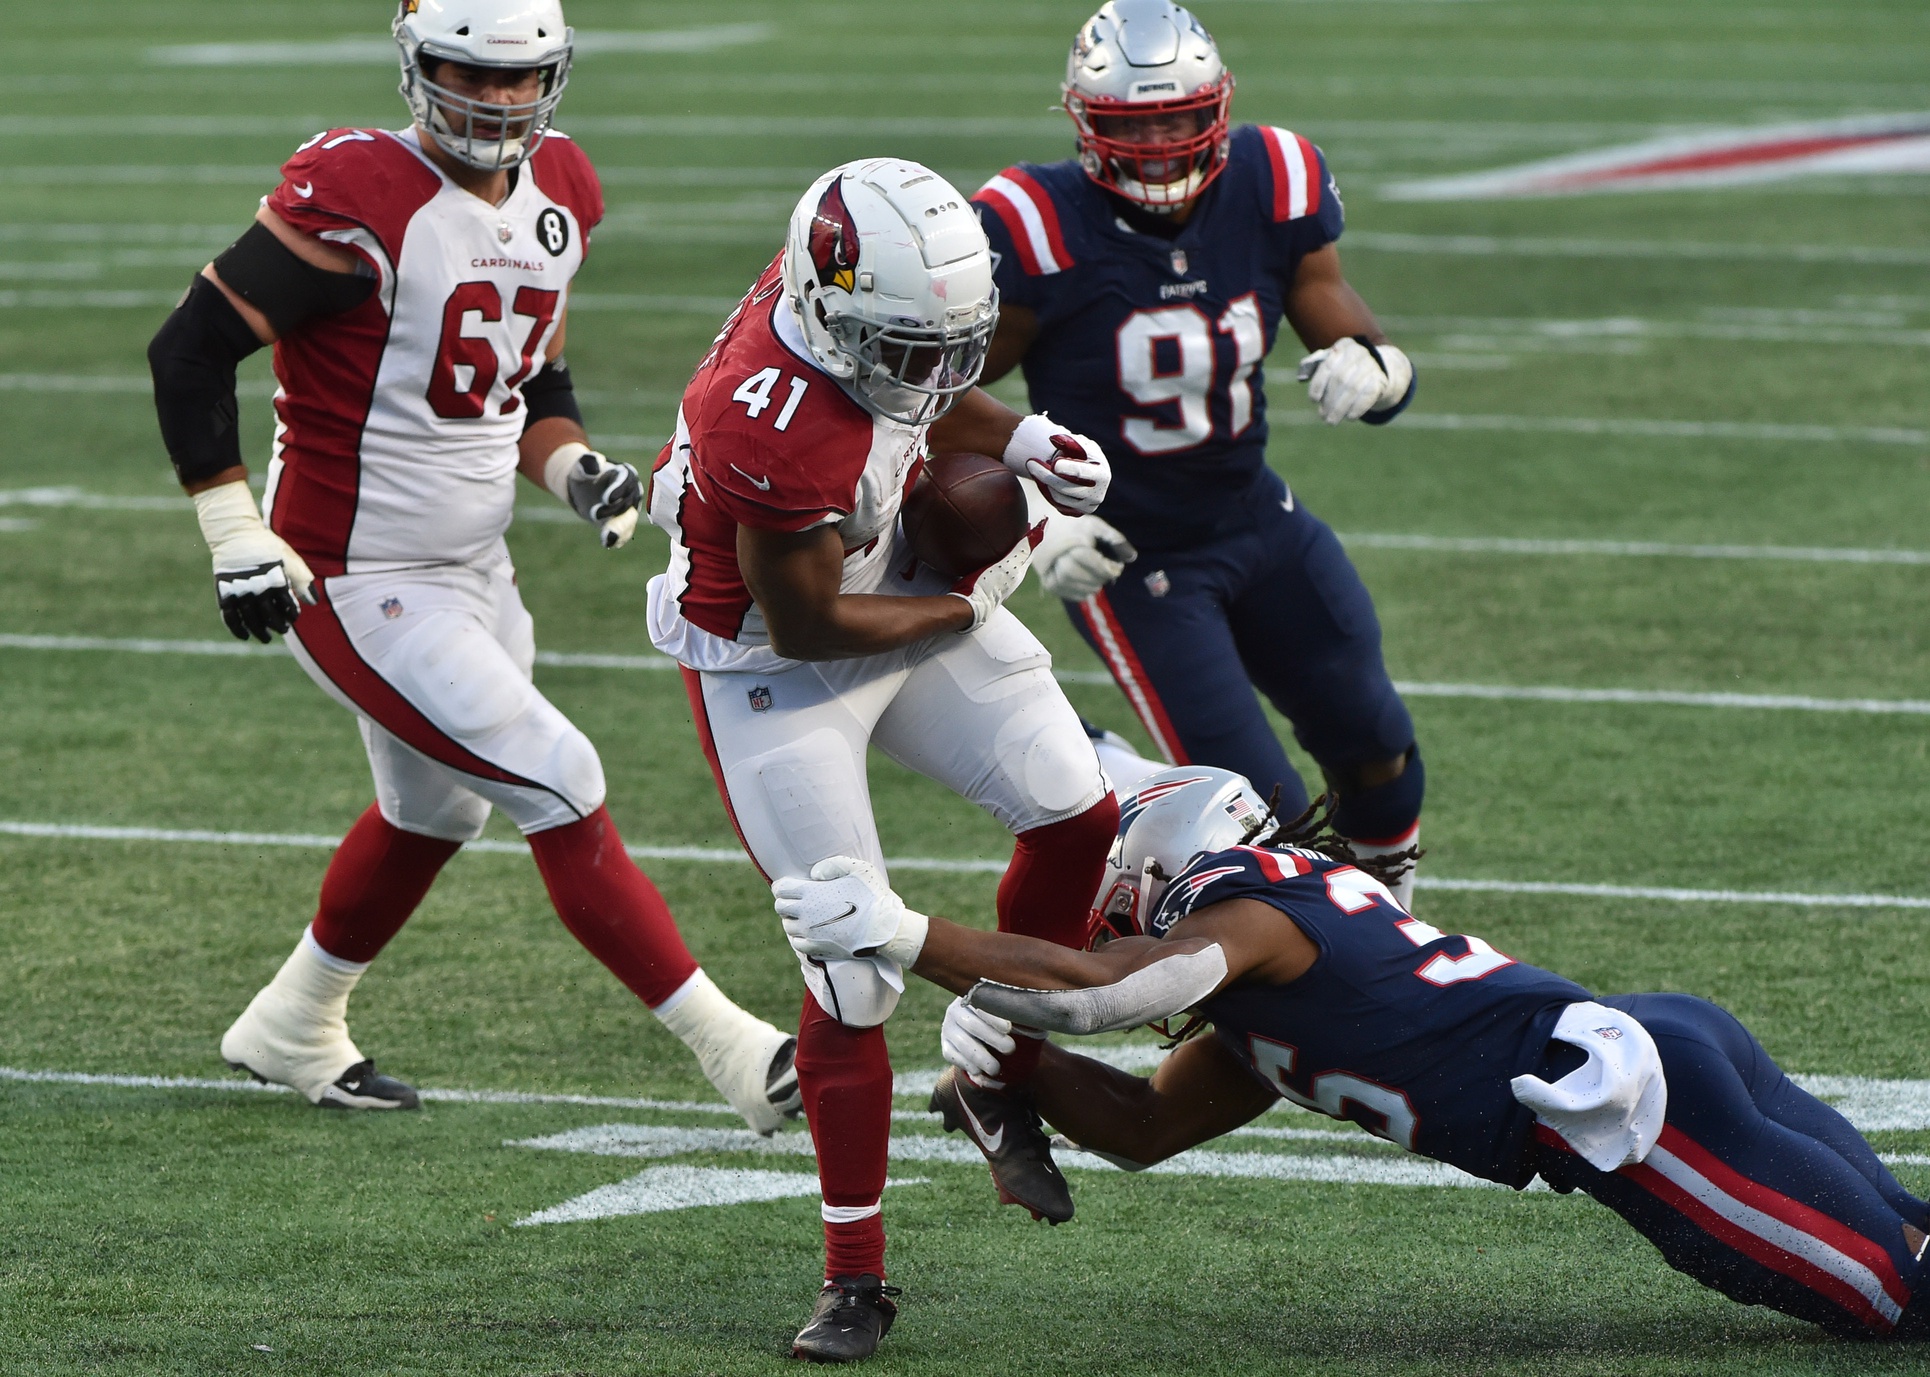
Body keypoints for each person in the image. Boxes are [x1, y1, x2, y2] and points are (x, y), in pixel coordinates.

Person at [143, 0, 800, 1136]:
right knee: (558, 774)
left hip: (474, 565)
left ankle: (293, 1023)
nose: (496, 100)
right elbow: (190, 346)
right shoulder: (358, 189)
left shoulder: (564, 194)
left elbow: (523, 384)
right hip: (350, 574)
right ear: (417, 68)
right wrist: (231, 529)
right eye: (468, 73)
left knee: (434, 810)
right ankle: (739, 1054)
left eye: (520, 77)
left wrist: (574, 469)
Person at [775, 769, 1930, 1342]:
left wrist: (905, 936)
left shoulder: (1250, 910)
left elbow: (1112, 990)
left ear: (1157, 874)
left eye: (1117, 906)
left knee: (1895, 1297)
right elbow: (1143, 1129)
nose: (1108, 924)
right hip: (1648, 1051)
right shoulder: (1273, 989)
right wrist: (1016, 1075)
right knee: (1907, 1231)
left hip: (1626, 1110)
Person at [646, 156, 1123, 1361]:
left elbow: (918, 393)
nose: (943, 369)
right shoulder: (763, 410)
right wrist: (973, 599)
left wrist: (1021, 447)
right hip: (776, 660)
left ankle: (994, 1071)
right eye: (917, 347)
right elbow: (809, 623)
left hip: (880, 581)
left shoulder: (863, 307)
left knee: (1074, 809)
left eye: (954, 341)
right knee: (852, 961)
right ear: (827, 308)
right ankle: (852, 1277)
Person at [972, 0, 1425, 903]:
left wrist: (1380, 371)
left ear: (1218, 106)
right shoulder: (1035, 223)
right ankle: (1106, 773)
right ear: (1085, 121)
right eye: (1136, 124)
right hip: (1133, 559)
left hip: (1260, 519)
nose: (1164, 143)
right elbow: (933, 408)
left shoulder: (1272, 177)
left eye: (1181, 115)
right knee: (1268, 823)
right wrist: (1033, 523)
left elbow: (1349, 325)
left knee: (1378, 745)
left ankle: (1392, 933)